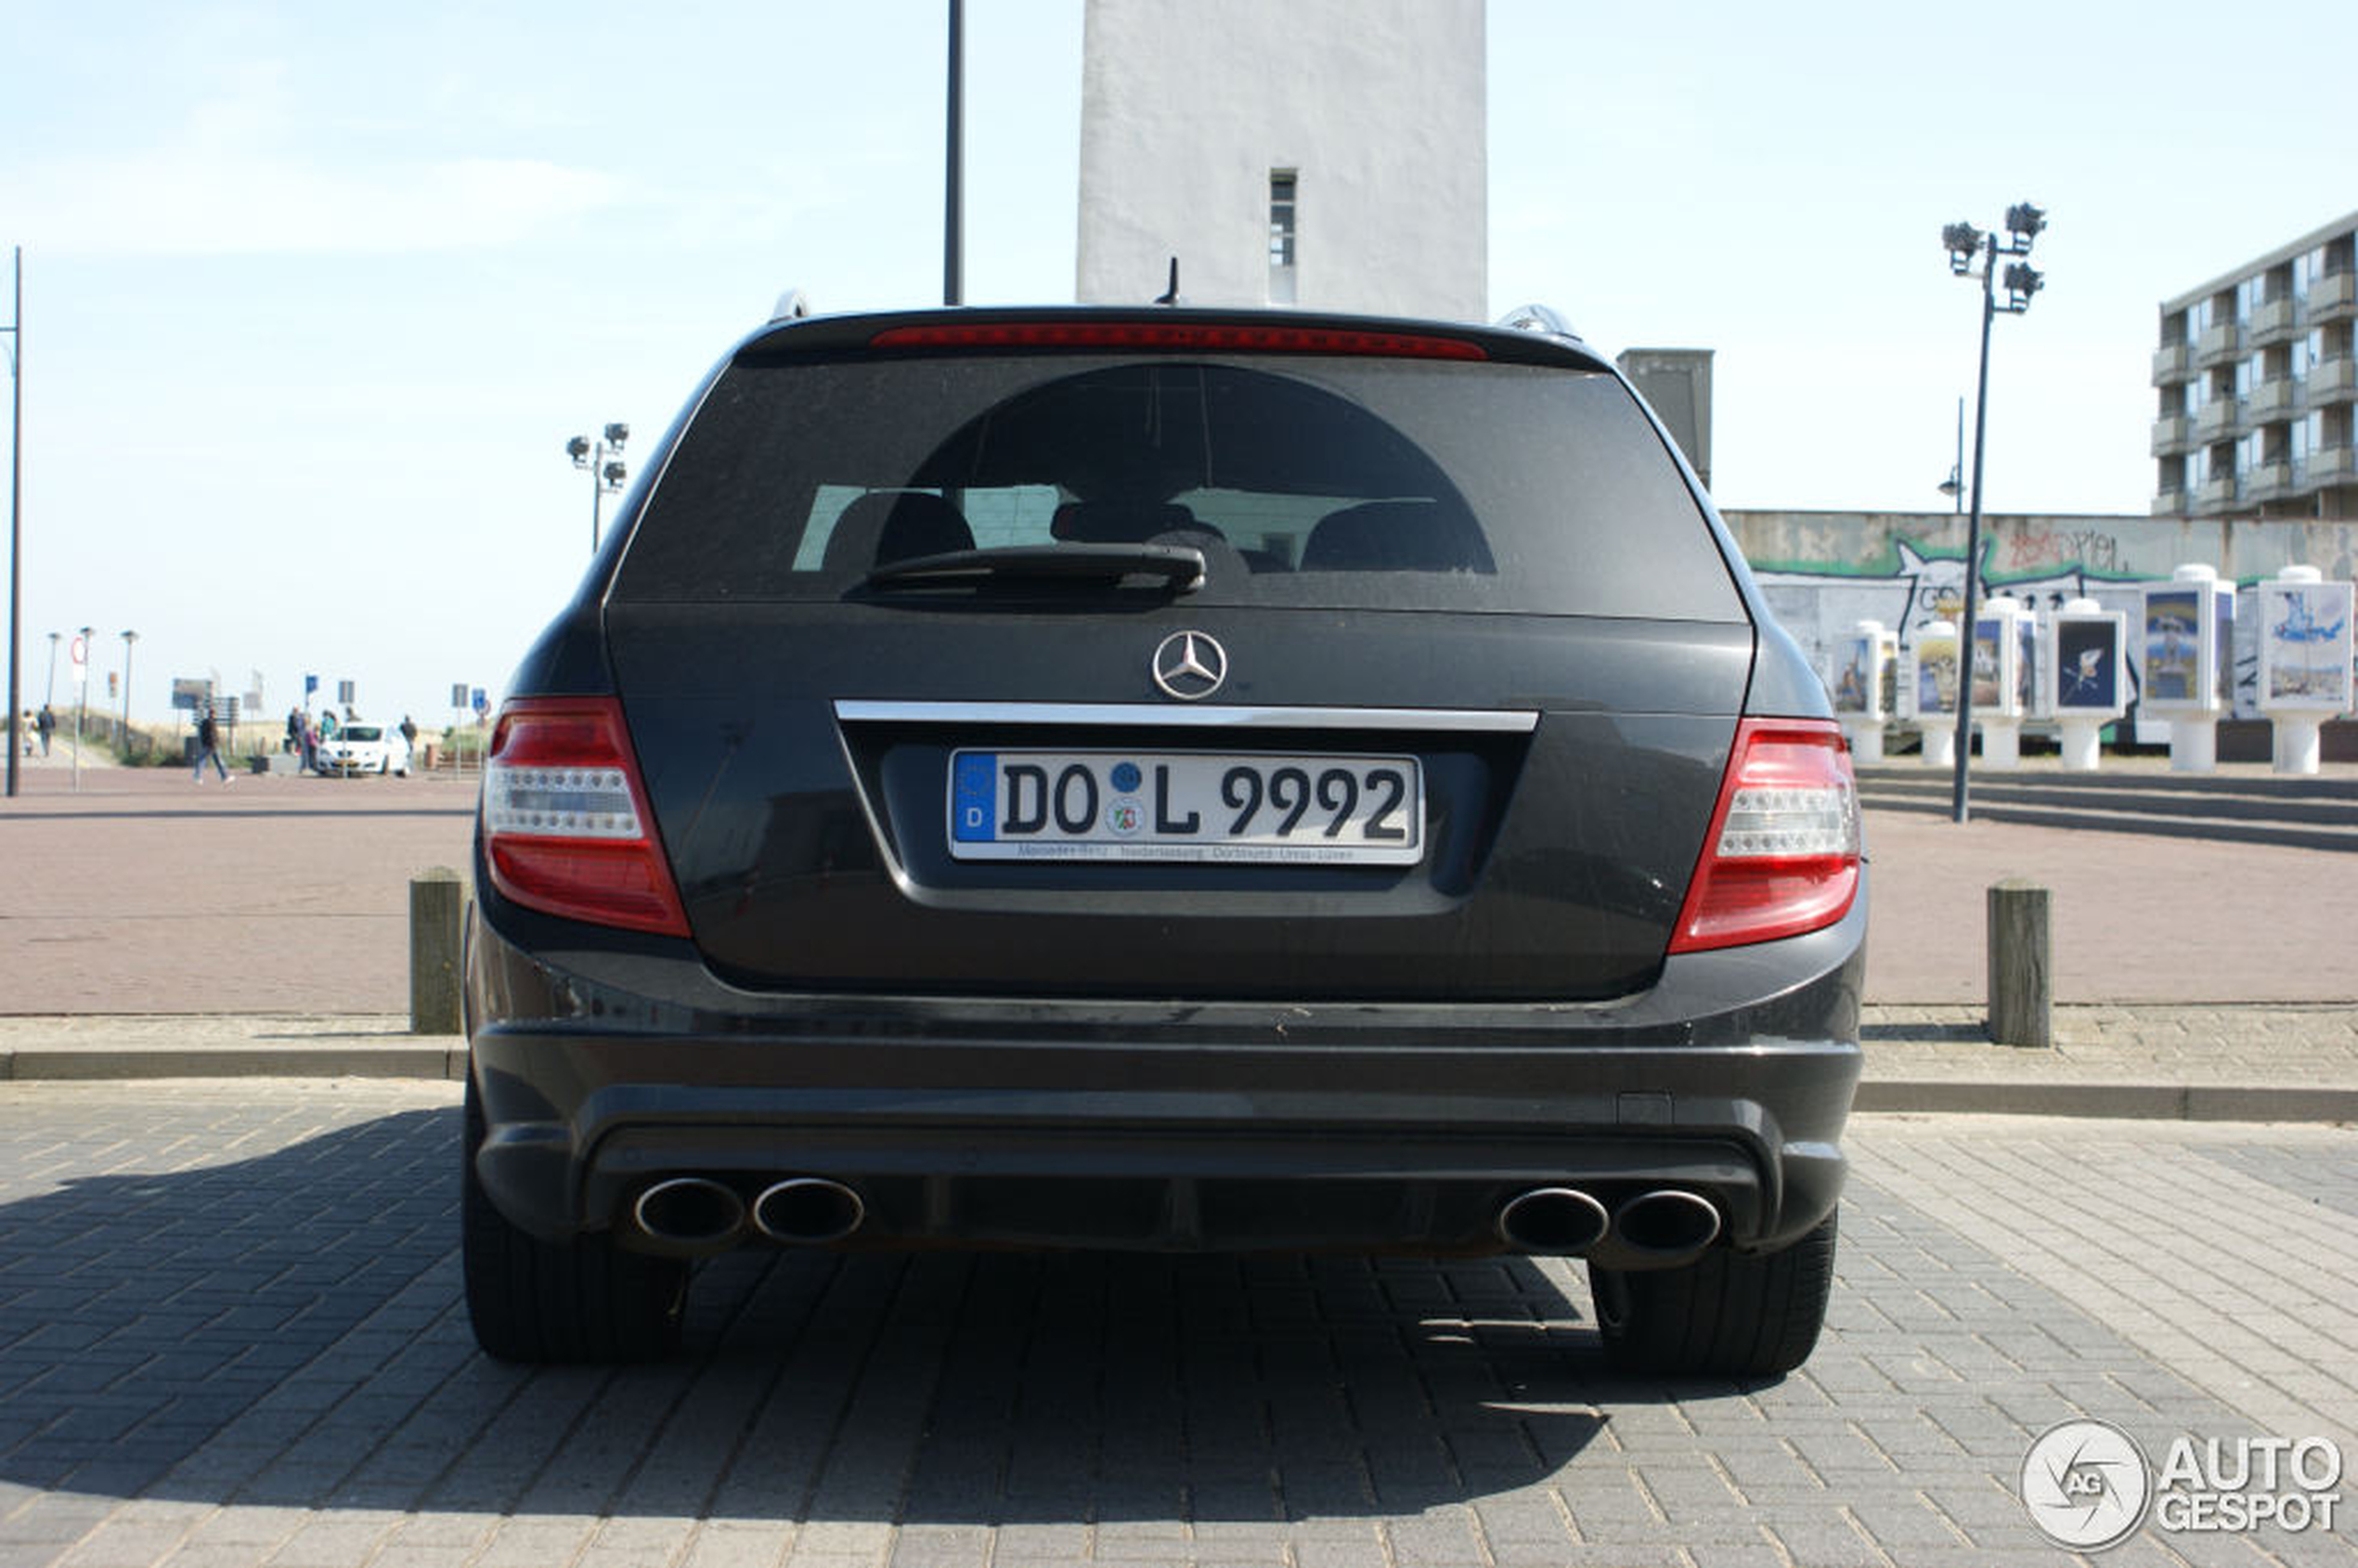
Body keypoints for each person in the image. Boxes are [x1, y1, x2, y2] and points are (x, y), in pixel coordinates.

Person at [192, 705, 230, 784]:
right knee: (211, 761)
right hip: (212, 746)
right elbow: (212, 735)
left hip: (208, 745)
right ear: (212, 714)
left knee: (210, 761)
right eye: (214, 713)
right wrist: (213, 744)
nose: (214, 715)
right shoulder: (211, 723)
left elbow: (203, 735)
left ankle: (224, 777)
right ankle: (198, 776)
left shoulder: (205, 722)